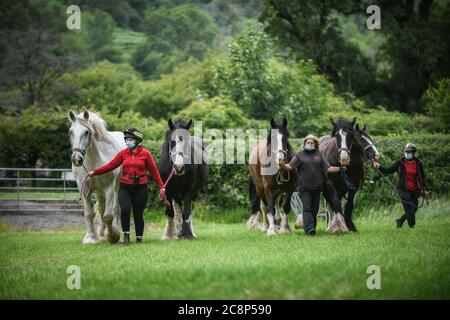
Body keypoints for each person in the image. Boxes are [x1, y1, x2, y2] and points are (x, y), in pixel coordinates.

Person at [87, 128, 166, 245]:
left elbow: (154, 171)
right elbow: (111, 165)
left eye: (130, 139)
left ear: (137, 140)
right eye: (127, 139)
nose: (128, 141)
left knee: (138, 214)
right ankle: (126, 237)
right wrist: (95, 172)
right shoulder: (123, 153)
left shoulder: (146, 154)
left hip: (140, 187)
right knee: (124, 210)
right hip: (125, 187)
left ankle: (139, 238)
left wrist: (162, 186)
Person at [281, 135, 344, 236]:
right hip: (304, 188)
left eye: (312, 143)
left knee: (315, 210)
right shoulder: (299, 155)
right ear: (304, 143)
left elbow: (328, 168)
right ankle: (309, 230)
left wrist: (340, 169)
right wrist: (282, 165)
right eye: (308, 143)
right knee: (307, 208)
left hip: (317, 187)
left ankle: (312, 228)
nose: (309, 144)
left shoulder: (319, 155)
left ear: (315, 144)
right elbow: (290, 166)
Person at [373, 143, 429, 229]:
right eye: (406, 151)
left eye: (409, 152)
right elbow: (388, 170)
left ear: (413, 153)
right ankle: (412, 227)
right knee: (409, 208)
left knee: (415, 208)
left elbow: (422, 177)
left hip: (414, 189)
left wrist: (424, 189)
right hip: (403, 189)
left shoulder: (418, 163)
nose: (407, 153)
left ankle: (400, 220)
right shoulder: (400, 162)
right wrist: (379, 167)